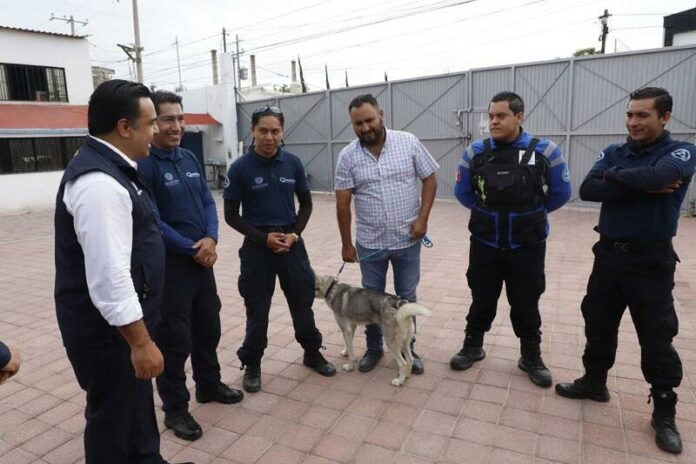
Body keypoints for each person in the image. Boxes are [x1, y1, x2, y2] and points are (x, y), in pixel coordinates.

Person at [54, 80, 192, 464]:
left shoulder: (120, 170)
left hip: (121, 328)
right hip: (107, 334)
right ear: (124, 127)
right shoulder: (99, 184)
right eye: (150, 123)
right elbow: (110, 277)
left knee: (134, 404)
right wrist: (141, 342)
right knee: (111, 420)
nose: (156, 131)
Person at [555, 87, 695, 455]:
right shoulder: (614, 152)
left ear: (665, 117)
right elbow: (587, 189)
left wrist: (615, 179)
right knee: (597, 323)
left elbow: (659, 175)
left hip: (651, 262)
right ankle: (594, 382)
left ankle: (664, 411)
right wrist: (640, 180)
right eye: (630, 115)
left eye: (642, 115)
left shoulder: (680, 152)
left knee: (656, 335)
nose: (633, 122)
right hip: (608, 259)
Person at [138, 91, 243, 442]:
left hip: (202, 263)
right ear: (153, 124)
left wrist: (211, 239)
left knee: (207, 328)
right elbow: (152, 219)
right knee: (174, 340)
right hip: (172, 269)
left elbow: (206, 202)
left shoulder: (188, 158)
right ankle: (176, 410)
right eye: (168, 119)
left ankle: (209, 385)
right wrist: (191, 248)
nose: (177, 126)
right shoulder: (146, 165)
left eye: (181, 119)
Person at [451, 91, 571, 388]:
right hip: (485, 244)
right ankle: (472, 346)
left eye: (501, 116)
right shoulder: (475, 152)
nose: (493, 121)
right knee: (481, 297)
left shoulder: (547, 151)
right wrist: (488, 215)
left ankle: (530, 355)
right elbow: (462, 193)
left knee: (526, 302)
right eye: (490, 116)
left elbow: (561, 193)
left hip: (527, 246)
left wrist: (529, 216)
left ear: (520, 117)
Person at [223, 105, 336, 393]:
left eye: (275, 131)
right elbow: (231, 215)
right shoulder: (239, 169)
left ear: (282, 132)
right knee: (257, 310)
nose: (269, 137)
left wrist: (295, 234)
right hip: (257, 250)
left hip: (292, 247)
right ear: (253, 131)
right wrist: (263, 239)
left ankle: (312, 352)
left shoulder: (293, 164)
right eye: (263, 130)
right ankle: (252, 363)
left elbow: (307, 204)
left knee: (302, 304)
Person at [335, 94, 439, 375]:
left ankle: (408, 348)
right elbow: (343, 202)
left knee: (406, 295)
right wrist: (346, 243)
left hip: (408, 240)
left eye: (369, 120)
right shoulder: (347, 156)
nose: (365, 127)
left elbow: (430, 178)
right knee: (371, 300)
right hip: (370, 244)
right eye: (358, 123)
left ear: (381, 114)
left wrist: (423, 219)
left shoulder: (408, 142)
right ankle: (373, 349)